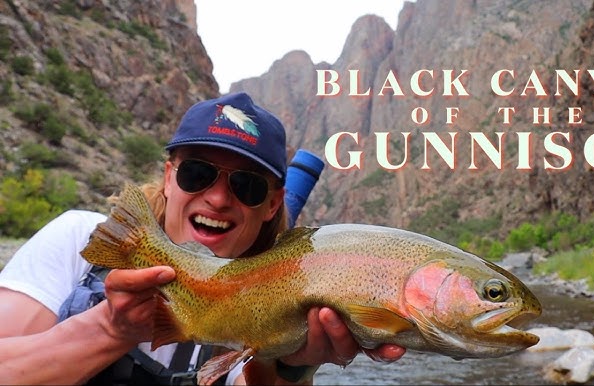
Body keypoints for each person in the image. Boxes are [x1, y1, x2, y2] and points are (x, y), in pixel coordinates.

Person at [0, 92, 405, 385]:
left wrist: (292, 366)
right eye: (198, 173)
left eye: (246, 186)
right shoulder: (81, 240)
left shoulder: (269, 310)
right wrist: (111, 329)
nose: (217, 197)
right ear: (168, 177)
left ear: (271, 204)